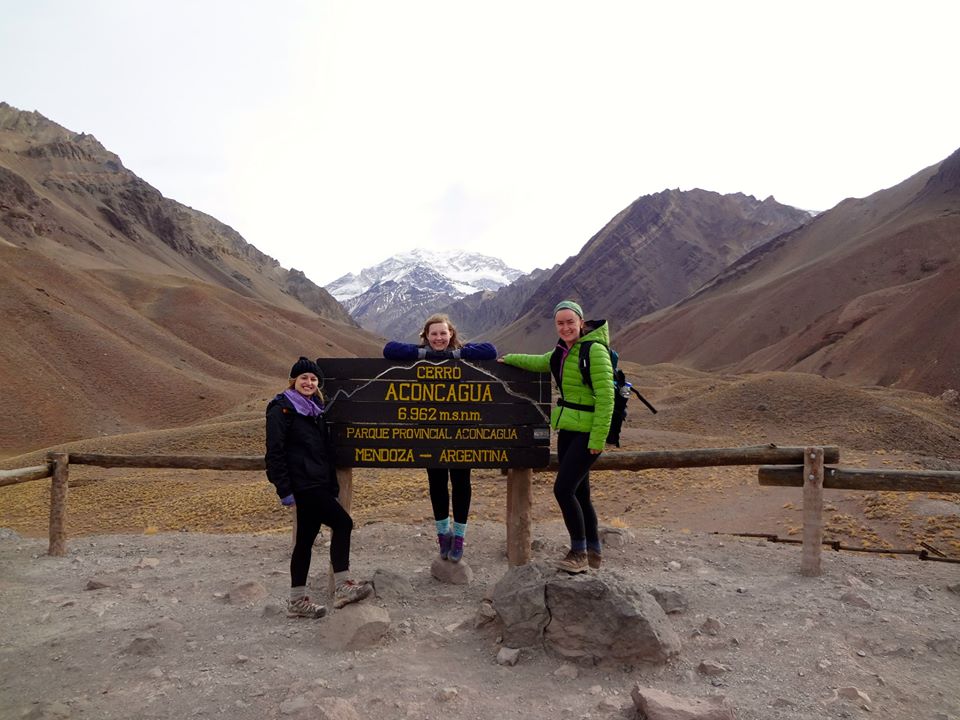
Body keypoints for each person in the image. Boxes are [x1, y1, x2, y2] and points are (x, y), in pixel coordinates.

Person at [499, 301, 614, 573]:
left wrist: (598, 439)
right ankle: (594, 550)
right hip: (568, 430)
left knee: (563, 490)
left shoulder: (594, 351)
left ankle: (578, 553)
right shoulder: (561, 352)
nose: (565, 327)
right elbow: (539, 362)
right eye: (560, 323)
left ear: (581, 322)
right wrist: (509, 359)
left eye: (570, 322)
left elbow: (607, 398)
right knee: (581, 493)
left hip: (586, 433)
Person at [383, 313, 497, 562]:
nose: (439, 338)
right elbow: (389, 349)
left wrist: (454, 355)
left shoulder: (463, 351)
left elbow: (490, 350)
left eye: (443, 333)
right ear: (426, 336)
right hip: (430, 432)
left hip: (461, 432)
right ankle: (442, 534)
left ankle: (459, 537)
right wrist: (425, 354)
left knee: (461, 483)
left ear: (451, 334)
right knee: (436, 484)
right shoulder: (420, 352)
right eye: (433, 334)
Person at [264, 356, 372, 617]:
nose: (309, 382)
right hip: (304, 485)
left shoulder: (314, 410)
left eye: (313, 379)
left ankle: (296, 601)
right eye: (304, 378)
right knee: (343, 523)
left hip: (318, 483)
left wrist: (332, 485)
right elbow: (274, 452)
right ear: (293, 381)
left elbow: (323, 453)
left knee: (304, 541)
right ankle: (344, 586)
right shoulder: (282, 409)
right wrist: (284, 489)